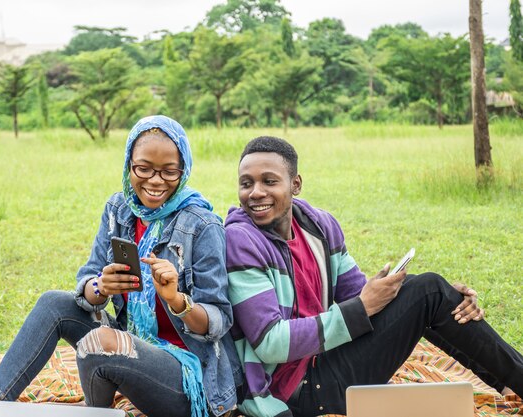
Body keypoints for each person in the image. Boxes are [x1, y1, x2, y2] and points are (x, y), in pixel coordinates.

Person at [224, 136, 523, 417]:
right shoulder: (241, 241)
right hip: (297, 388)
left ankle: (507, 383)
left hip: (327, 357)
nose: (256, 193)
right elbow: (269, 343)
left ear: (296, 184)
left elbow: (356, 293)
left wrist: (435, 299)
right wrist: (372, 305)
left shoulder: (319, 225)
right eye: (246, 183)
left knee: (430, 292)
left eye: (269, 181)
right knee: (428, 291)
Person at [0, 115, 242, 417]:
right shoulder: (119, 210)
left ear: (184, 171)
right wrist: (101, 287)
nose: (155, 181)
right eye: (144, 168)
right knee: (53, 304)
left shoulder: (202, 225)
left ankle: (94, 412)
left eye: (169, 172)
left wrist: (176, 300)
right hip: (134, 344)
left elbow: (218, 320)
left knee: (101, 344)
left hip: (189, 374)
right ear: (129, 165)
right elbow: (88, 282)